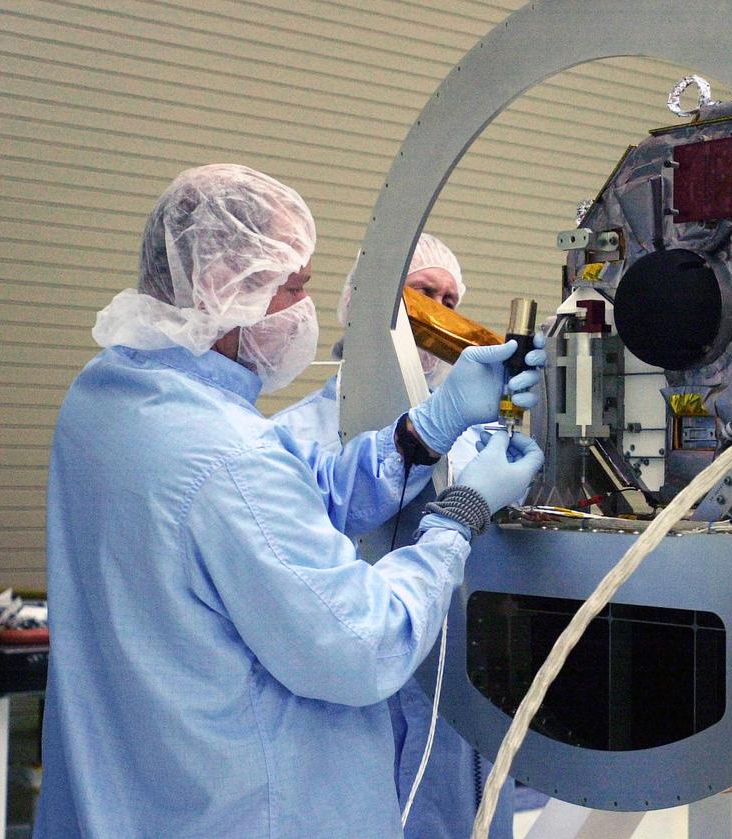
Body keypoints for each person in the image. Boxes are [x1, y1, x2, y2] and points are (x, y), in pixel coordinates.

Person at [37, 164, 545, 838]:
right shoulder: (229, 453)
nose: (306, 309)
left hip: (137, 795)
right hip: (246, 811)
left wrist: (428, 428)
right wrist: (460, 515)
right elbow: (362, 644)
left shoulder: (105, 399)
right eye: (294, 287)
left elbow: (300, 498)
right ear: (220, 285)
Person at [274, 234, 518, 838]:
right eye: (421, 293)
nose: (438, 309)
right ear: (366, 300)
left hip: (463, 719)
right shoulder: (291, 437)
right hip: (349, 717)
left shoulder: (477, 439)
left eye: (450, 299)